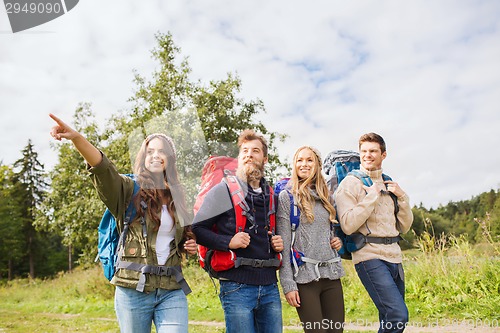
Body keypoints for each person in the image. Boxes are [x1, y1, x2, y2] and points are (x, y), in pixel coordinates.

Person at [49, 113, 197, 333]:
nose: (156, 155)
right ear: (143, 157)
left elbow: (181, 236)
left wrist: (189, 244)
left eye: (162, 151)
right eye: (150, 151)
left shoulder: (177, 196)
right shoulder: (128, 190)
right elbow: (102, 168)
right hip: (132, 289)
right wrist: (77, 139)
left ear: (170, 158)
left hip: (171, 288)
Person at [192, 129, 284, 333]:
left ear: (265, 159)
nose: (249, 154)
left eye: (255, 151)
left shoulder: (272, 195)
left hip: (270, 285)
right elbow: (197, 229)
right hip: (236, 286)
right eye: (244, 151)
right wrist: (228, 242)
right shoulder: (223, 191)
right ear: (239, 158)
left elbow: (272, 232)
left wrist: (278, 243)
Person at [334, 133, 413, 333]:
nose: (368, 155)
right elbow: (348, 225)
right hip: (369, 256)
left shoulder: (389, 183)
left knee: (388, 317)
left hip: (395, 256)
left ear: (383, 155)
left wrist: (402, 197)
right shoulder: (350, 184)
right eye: (364, 151)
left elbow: (404, 226)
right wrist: (371, 197)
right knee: (398, 315)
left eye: (373, 151)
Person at [277, 145, 345, 333]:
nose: (304, 164)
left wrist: (335, 241)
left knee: (336, 331)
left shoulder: (326, 198)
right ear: (294, 165)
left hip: (331, 275)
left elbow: (326, 232)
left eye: (309, 160)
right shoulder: (287, 198)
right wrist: (288, 284)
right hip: (305, 279)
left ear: (317, 165)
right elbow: (284, 245)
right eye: (300, 160)